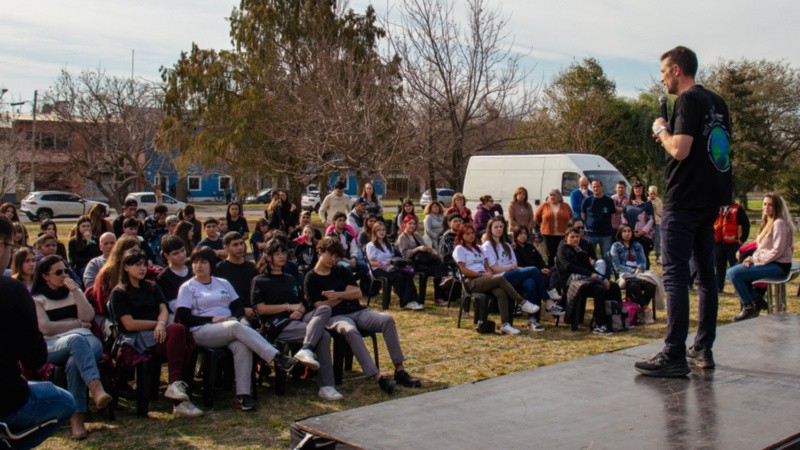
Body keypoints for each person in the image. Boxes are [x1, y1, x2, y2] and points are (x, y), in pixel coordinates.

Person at [635, 46, 733, 377]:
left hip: (684, 199)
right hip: (710, 200)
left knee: (676, 275)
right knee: (706, 275)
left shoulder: (688, 101)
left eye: (663, 72)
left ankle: (674, 353)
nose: (662, 78)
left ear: (677, 70)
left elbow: (680, 149)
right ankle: (702, 348)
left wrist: (662, 129)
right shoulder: (717, 102)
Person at [175, 246, 299, 412]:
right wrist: (212, 319)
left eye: (203, 262)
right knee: (235, 327)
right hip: (202, 330)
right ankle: (277, 356)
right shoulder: (188, 287)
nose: (199, 266)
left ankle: (243, 396)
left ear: (211, 264)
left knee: (242, 345)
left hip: (228, 327)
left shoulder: (222, 283)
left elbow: (238, 306)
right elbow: (183, 317)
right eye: (195, 262)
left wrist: (234, 316)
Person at [305, 236, 422, 394]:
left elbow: (358, 292)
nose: (333, 260)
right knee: (350, 330)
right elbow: (320, 306)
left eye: (336, 256)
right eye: (330, 255)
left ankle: (400, 370)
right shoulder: (311, 277)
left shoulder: (340, 270)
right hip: (335, 317)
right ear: (320, 252)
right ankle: (378, 377)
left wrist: (337, 295)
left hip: (358, 311)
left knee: (387, 320)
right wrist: (344, 294)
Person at [0, 216, 75, 449]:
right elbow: (35, 357)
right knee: (64, 401)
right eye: (11, 247)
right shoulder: (12, 290)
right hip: (6, 400)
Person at [108, 249, 203, 417]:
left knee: (186, 339)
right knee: (178, 330)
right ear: (126, 268)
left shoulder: (151, 286)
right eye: (137, 265)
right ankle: (179, 395)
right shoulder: (119, 292)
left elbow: (163, 308)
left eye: (144, 264)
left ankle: (178, 393)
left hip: (158, 335)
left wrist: (161, 323)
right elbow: (129, 324)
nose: (143, 268)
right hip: (136, 340)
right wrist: (157, 325)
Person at [32, 255, 112, 439]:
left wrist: (76, 291)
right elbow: (46, 327)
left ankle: (77, 419)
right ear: (45, 276)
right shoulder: (37, 299)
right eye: (58, 272)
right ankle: (95, 387)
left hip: (87, 340)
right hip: (53, 344)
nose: (63, 275)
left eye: (65, 271)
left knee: (74, 362)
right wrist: (76, 324)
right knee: (75, 341)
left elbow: (89, 315)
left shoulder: (73, 292)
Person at [252, 239, 343, 401]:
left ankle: (306, 349)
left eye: (284, 253)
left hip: (299, 318)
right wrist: (288, 307)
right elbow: (261, 309)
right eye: (277, 254)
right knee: (324, 336)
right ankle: (326, 385)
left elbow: (302, 302)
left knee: (324, 308)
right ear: (268, 257)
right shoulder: (259, 280)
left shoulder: (291, 279)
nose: (282, 256)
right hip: (276, 324)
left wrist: (300, 310)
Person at [453, 223, 539, 335]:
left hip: (484, 278)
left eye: (472, 233)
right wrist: (481, 275)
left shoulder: (478, 248)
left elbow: (486, 265)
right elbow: (463, 270)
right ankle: (522, 302)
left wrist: (488, 273)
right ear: (461, 236)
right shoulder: (460, 249)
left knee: (501, 292)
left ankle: (505, 325)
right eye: (467, 234)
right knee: (499, 278)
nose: (471, 235)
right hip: (471, 281)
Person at [483, 218, 562, 332]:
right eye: (496, 227)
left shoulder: (506, 244)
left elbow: (514, 262)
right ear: (490, 229)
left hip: (512, 273)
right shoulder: (487, 245)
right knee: (534, 270)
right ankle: (548, 301)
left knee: (531, 283)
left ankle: (532, 321)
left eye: (501, 227)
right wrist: (508, 268)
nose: (499, 229)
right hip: (501, 277)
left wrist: (512, 267)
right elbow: (494, 268)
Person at [727, 194, 794, 321]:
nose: (766, 207)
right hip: (770, 262)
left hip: (779, 265)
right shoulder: (769, 221)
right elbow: (760, 246)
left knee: (733, 273)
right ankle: (757, 300)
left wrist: (754, 260)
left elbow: (777, 251)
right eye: (764, 204)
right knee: (735, 270)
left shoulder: (778, 223)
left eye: (770, 205)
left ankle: (749, 307)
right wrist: (750, 257)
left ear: (777, 207)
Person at [556, 227, 620, 334]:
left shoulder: (580, 250)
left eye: (577, 237)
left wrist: (603, 278)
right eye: (572, 237)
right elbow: (569, 267)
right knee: (599, 289)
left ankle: (615, 319)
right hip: (572, 283)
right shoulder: (562, 249)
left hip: (586, 281)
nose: (575, 239)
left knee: (613, 286)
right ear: (566, 238)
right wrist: (591, 275)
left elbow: (590, 268)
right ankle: (598, 324)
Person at [368, 222, 422, 310]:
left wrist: (392, 261)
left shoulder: (387, 244)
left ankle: (413, 300)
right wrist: (383, 264)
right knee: (398, 277)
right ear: (374, 232)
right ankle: (405, 302)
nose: (381, 232)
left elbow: (393, 256)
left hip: (390, 267)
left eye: (383, 230)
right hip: (377, 269)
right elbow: (371, 262)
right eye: (379, 230)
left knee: (407, 274)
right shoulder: (371, 245)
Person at [610, 224, 656, 323]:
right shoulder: (616, 246)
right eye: (624, 231)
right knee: (633, 285)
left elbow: (643, 261)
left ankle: (639, 310)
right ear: (620, 233)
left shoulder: (637, 245)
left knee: (651, 285)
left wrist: (639, 268)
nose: (627, 233)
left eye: (629, 231)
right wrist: (632, 271)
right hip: (625, 275)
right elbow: (617, 266)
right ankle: (645, 310)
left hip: (639, 273)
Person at [397, 215, 447, 307]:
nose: (412, 225)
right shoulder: (402, 237)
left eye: (414, 224)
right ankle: (440, 290)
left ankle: (439, 295)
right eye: (410, 223)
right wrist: (417, 249)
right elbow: (405, 255)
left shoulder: (417, 235)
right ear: (405, 224)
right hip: (412, 263)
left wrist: (427, 249)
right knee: (438, 270)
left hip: (422, 260)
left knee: (438, 268)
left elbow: (424, 247)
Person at [213, 232, 259, 326]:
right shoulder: (219, 269)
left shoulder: (252, 267)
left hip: (255, 311)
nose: (240, 247)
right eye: (235, 245)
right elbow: (219, 297)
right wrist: (242, 310)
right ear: (226, 248)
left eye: (242, 243)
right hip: (233, 313)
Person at [327, 212, 370, 295]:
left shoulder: (348, 234)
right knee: (348, 267)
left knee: (365, 266)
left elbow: (354, 247)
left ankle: (354, 283)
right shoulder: (330, 236)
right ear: (334, 222)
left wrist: (353, 258)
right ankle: (350, 286)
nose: (342, 222)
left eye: (344, 220)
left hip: (350, 258)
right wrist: (345, 259)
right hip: (337, 260)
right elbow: (332, 253)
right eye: (340, 220)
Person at [581, 179, 615, 276]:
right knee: (589, 257)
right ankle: (590, 276)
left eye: (598, 186)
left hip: (605, 234)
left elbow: (612, 216)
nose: (596, 188)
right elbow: (583, 215)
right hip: (590, 234)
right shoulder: (587, 201)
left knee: (607, 256)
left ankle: (606, 278)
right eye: (594, 187)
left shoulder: (609, 201)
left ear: (602, 187)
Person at [714, 201, 750, 292]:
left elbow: (746, 224)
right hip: (718, 243)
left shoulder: (738, 209)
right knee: (719, 267)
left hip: (733, 244)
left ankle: (737, 288)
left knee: (735, 266)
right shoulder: (717, 207)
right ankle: (719, 287)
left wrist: (742, 240)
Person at [534, 189, 573, 266]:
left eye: (554, 195)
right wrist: (543, 225)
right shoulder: (544, 205)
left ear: (559, 196)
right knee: (550, 255)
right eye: (550, 195)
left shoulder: (566, 206)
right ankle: (551, 271)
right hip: (548, 235)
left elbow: (571, 218)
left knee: (561, 253)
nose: (552, 197)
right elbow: (536, 218)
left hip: (562, 234)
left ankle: (561, 269)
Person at [156, 235, 192, 315]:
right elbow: (173, 305)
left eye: (183, 250)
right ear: (166, 256)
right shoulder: (163, 278)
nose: (181, 255)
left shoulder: (193, 270)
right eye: (175, 253)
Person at [623, 181, 655, 269]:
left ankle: (645, 277)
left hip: (643, 236)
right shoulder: (628, 204)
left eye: (640, 188)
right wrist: (628, 231)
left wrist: (643, 231)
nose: (638, 190)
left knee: (643, 256)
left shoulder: (647, 203)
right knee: (630, 256)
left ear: (643, 189)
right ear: (633, 190)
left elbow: (651, 219)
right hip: (630, 235)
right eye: (636, 188)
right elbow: (623, 217)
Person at [648, 186, 664, 265]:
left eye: (654, 194)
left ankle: (657, 257)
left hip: (657, 223)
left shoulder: (659, 201)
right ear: (648, 193)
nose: (652, 196)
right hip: (648, 224)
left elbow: (661, 213)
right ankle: (646, 256)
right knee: (648, 240)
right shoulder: (646, 200)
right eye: (651, 194)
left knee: (657, 241)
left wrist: (655, 208)